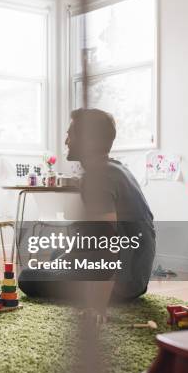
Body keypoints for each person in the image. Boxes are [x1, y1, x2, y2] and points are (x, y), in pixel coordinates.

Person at [18, 108, 156, 303]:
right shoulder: (116, 168)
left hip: (120, 284)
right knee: (59, 253)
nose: (66, 141)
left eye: (70, 135)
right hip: (136, 276)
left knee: (27, 277)